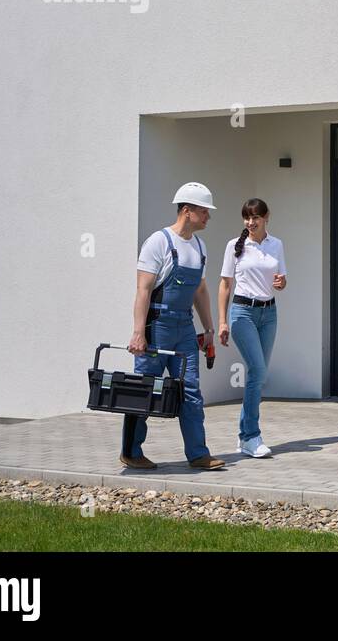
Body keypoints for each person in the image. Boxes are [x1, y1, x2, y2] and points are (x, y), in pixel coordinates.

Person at [120, 181, 225, 470]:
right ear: (187, 210)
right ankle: (131, 452)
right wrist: (138, 333)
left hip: (185, 329)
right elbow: (143, 289)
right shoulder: (159, 242)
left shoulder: (200, 246)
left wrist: (208, 330)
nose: (208, 217)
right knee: (145, 390)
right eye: (204, 211)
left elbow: (200, 291)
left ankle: (198, 453)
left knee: (191, 391)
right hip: (158, 327)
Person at [218, 198, 286, 458]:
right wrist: (223, 321)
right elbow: (225, 285)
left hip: (269, 313)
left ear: (266, 217)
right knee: (257, 371)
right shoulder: (234, 247)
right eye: (247, 217)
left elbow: (281, 279)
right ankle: (251, 436)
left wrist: (281, 283)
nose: (250, 222)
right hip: (242, 313)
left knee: (258, 375)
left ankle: (244, 435)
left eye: (255, 217)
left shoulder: (276, 245)